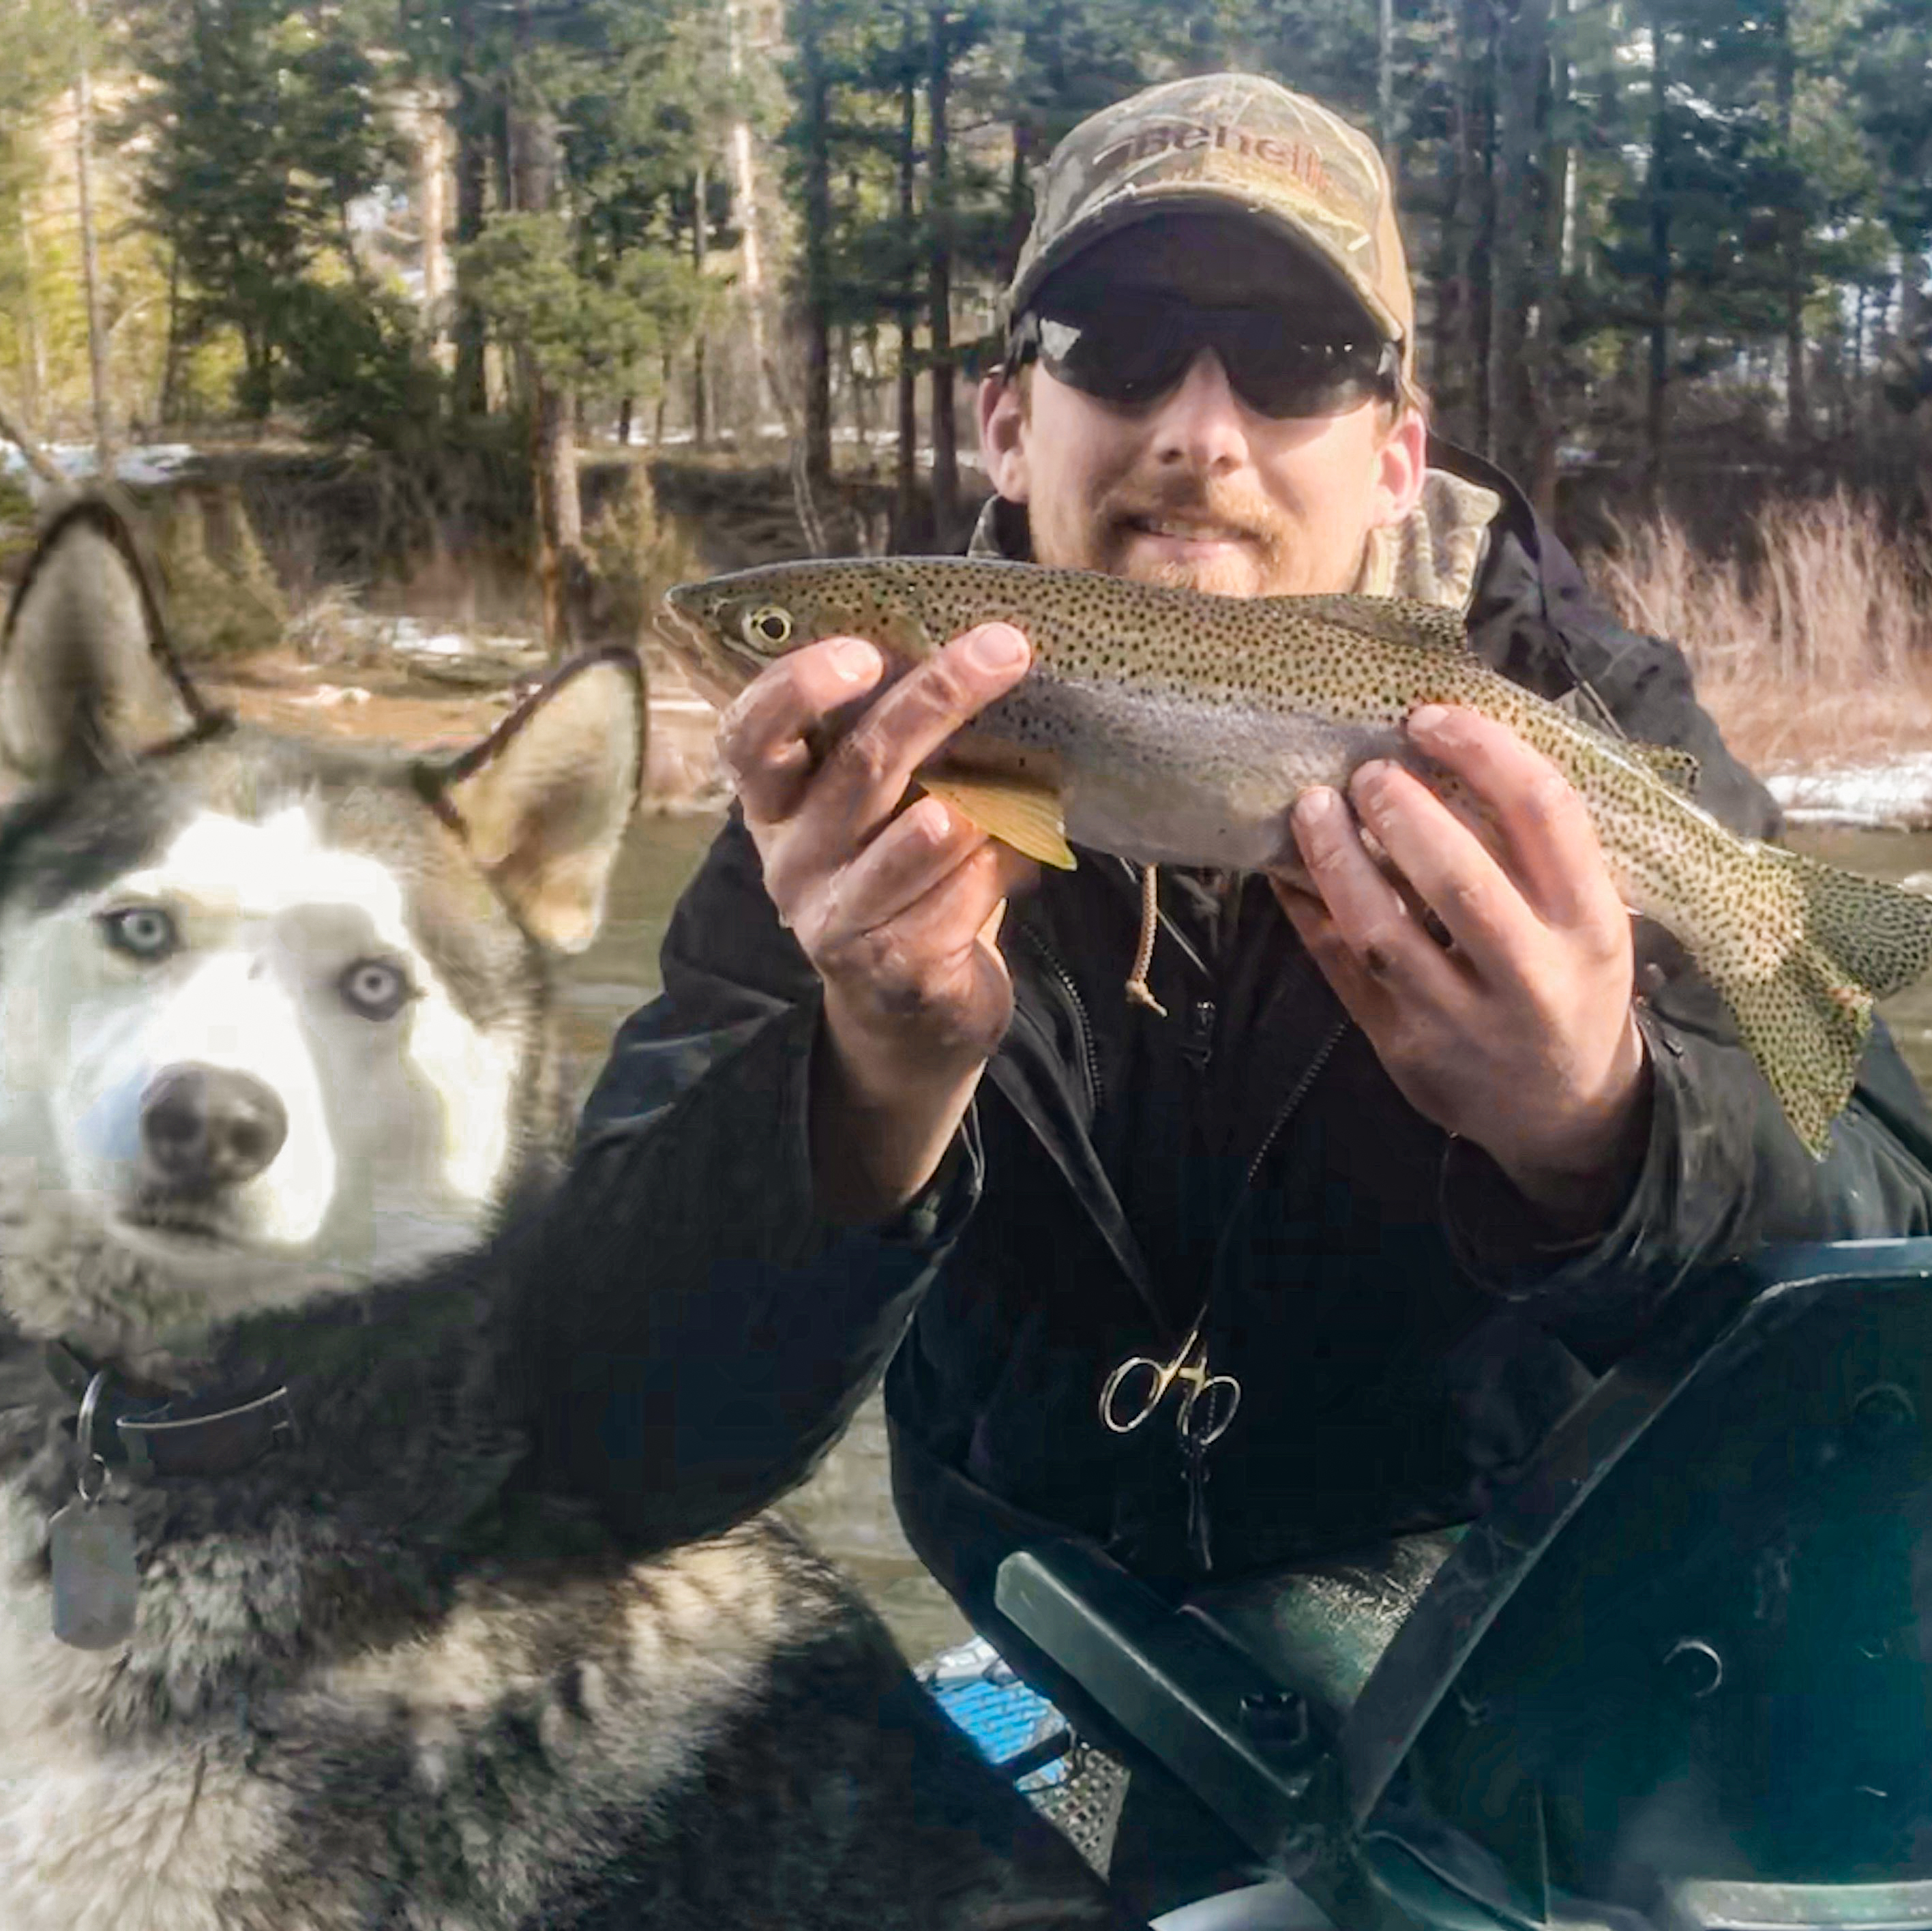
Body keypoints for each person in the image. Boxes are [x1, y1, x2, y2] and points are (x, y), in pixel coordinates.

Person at [567, 68, 1932, 1905]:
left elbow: (1886, 1266)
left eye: (1292, 358)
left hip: (1504, 1629)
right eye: (1118, 344)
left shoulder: (1579, 719)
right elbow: (624, 1434)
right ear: (1001, 417)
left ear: (1393, 453)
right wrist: (866, 1080)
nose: (1199, 430)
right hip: (1059, 1612)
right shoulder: (858, 776)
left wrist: (1600, 1125)